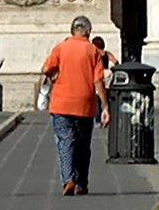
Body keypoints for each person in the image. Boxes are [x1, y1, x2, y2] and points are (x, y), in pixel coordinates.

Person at [40, 14, 110, 196]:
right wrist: (105, 106)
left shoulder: (60, 48)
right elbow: (98, 81)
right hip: (85, 105)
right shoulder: (93, 51)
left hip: (61, 103)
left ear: (72, 31)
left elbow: (46, 69)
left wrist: (56, 72)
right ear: (89, 31)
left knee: (65, 142)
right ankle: (81, 183)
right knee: (83, 145)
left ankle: (68, 179)